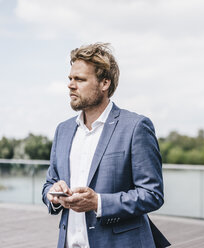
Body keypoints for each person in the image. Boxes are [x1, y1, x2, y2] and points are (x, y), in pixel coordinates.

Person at [42, 43, 170, 248]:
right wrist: (53, 194)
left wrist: (98, 202)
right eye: (70, 79)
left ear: (104, 83)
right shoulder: (63, 130)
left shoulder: (136, 126)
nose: (71, 85)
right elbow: (49, 183)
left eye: (80, 79)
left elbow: (152, 194)